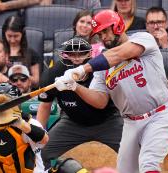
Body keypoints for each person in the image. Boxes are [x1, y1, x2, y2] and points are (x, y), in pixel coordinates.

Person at [55, 10, 168, 173]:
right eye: (100, 34)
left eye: (106, 31)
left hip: (159, 114)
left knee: (148, 163)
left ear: (118, 25)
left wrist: (83, 68)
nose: (103, 37)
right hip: (131, 123)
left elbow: (119, 54)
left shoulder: (143, 39)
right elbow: (100, 101)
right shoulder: (101, 68)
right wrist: (75, 87)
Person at [37, 37, 123, 170]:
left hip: (108, 121)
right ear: (64, 55)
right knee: (40, 152)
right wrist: (38, 134)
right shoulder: (52, 74)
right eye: (71, 54)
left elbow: (101, 103)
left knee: (134, 153)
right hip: (72, 123)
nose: (76, 58)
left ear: (90, 54)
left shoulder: (101, 70)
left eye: (81, 54)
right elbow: (45, 105)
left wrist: (74, 86)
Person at [0, 82, 49, 173]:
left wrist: (22, 125)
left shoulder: (29, 123)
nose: (3, 107)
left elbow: (44, 140)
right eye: (0, 104)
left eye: (7, 103)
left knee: (65, 167)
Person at [2, 15, 40, 88]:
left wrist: (21, 74)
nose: (12, 40)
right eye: (9, 36)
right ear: (4, 33)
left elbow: (36, 82)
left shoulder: (32, 53)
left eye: (16, 36)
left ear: (22, 34)